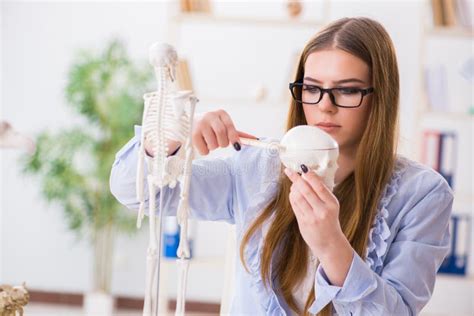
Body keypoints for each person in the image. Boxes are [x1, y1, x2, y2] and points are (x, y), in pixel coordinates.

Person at [110, 17, 453, 316]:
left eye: (347, 91)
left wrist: (331, 245)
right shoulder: (255, 168)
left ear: (380, 97)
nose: (325, 107)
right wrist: (173, 132)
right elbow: (131, 190)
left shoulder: (422, 194)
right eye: (312, 88)